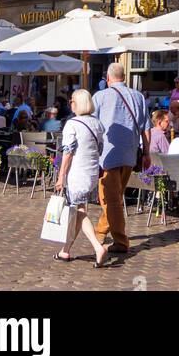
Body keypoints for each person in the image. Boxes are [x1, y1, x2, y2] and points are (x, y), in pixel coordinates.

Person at [92, 62, 151, 257]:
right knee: (115, 197)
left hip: (107, 155)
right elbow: (146, 128)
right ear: (124, 76)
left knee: (110, 199)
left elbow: (92, 126)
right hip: (129, 154)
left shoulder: (100, 96)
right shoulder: (138, 97)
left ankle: (120, 240)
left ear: (108, 78)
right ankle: (99, 232)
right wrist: (147, 153)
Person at [51, 88, 107, 267]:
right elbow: (99, 149)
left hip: (77, 173)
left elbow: (67, 153)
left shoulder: (72, 124)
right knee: (78, 211)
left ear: (77, 104)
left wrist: (61, 176)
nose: (70, 104)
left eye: (72, 101)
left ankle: (98, 247)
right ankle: (65, 250)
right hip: (91, 172)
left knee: (80, 212)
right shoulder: (97, 124)